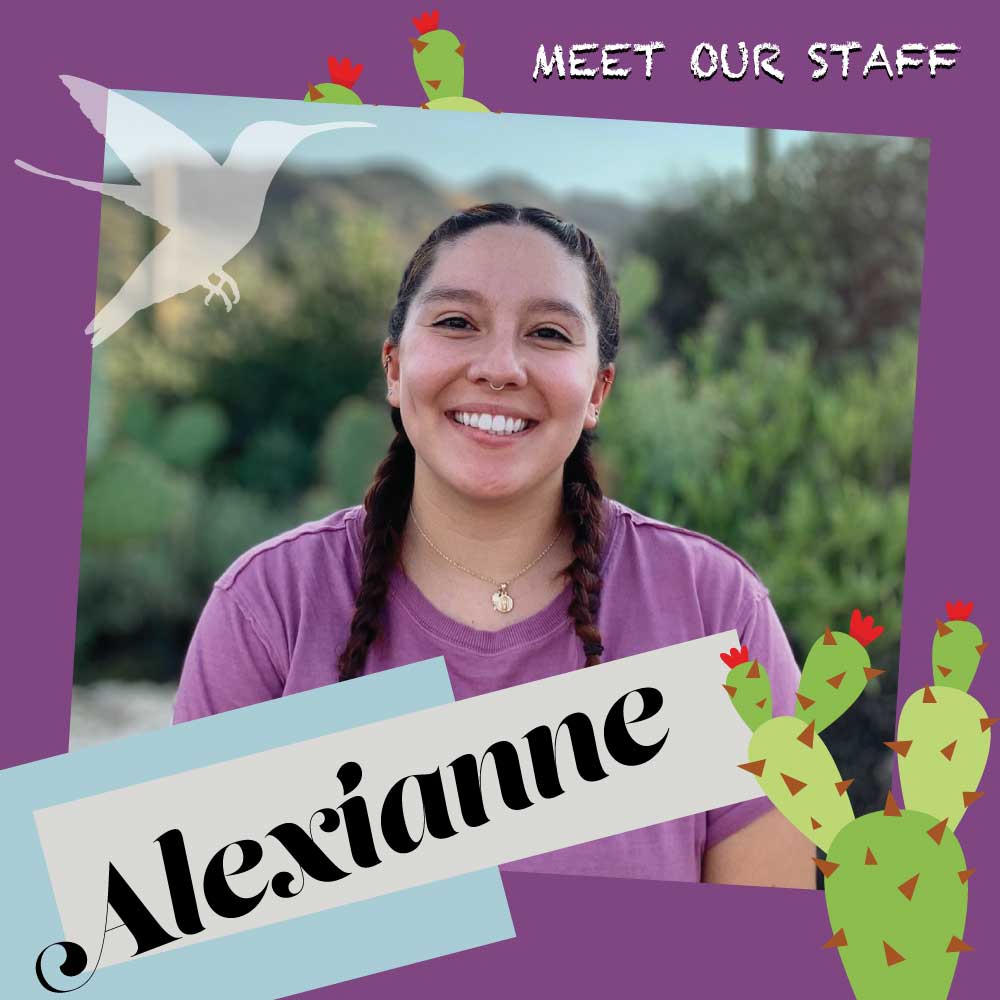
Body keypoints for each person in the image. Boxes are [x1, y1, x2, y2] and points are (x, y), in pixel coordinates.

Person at [173, 203, 815, 888]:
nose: (501, 367)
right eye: (456, 322)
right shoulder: (267, 609)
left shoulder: (716, 611)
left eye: (547, 333)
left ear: (598, 389)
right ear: (394, 367)